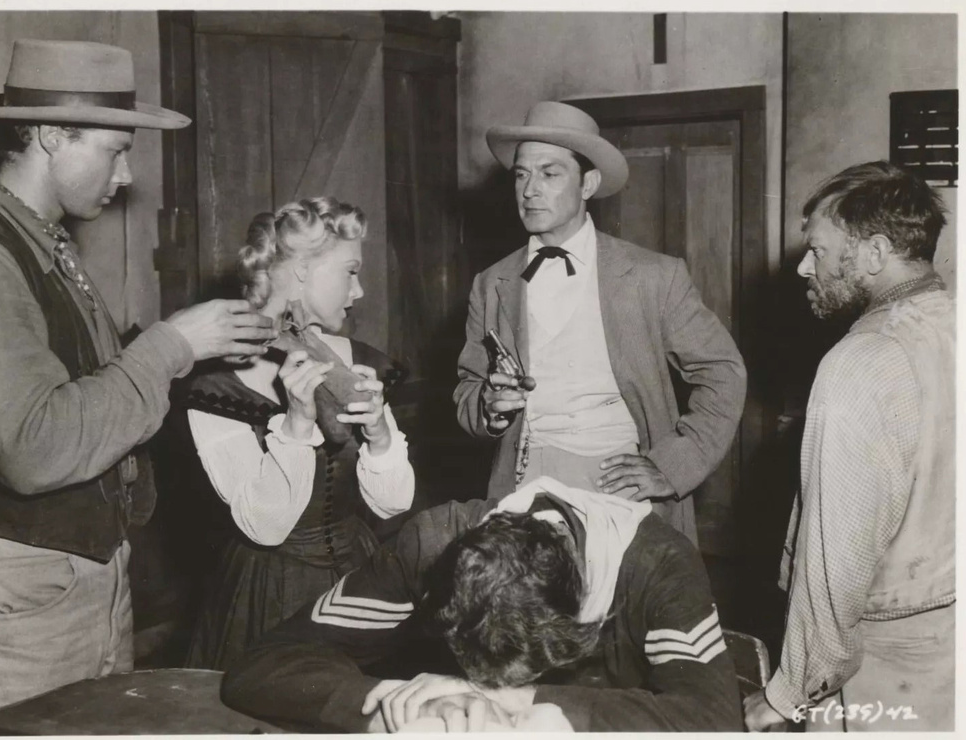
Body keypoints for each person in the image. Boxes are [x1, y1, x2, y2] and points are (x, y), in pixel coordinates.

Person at [0, 39, 278, 718]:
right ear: (51, 135)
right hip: (24, 602)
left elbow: (88, 388)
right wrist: (169, 346)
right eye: (115, 150)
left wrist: (194, 352)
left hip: (84, 580)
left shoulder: (45, 244)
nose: (126, 173)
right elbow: (33, 446)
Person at [221, 476, 743, 732]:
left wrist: (518, 699)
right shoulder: (432, 545)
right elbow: (265, 662)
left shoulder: (657, 564)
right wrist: (396, 702)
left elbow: (714, 721)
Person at [454, 101, 746, 544]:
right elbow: (467, 392)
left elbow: (724, 373)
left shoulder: (652, 276)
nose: (529, 190)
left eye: (549, 173)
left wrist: (671, 466)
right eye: (521, 174)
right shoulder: (491, 283)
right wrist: (490, 408)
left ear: (588, 183)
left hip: (619, 489)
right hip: (523, 486)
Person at [743, 161, 955, 732]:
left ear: (874, 252)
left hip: (887, 660)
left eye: (818, 249)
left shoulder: (860, 362)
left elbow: (834, 557)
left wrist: (792, 691)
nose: (803, 266)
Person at [174, 198, 416, 671]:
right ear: (302, 270)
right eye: (350, 271)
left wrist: (380, 435)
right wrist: (297, 425)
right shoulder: (216, 382)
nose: (360, 289)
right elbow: (267, 527)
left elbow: (393, 503)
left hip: (359, 578)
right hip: (271, 594)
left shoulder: (355, 358)